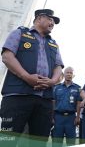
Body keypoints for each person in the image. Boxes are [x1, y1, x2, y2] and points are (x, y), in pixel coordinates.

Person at [0, 9, 64, 146]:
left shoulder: (53, 43)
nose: (53, 23)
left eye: (54, 21)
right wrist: (27, 77)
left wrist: (52, 81)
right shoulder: (20, 33)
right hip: (17, 96)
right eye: (50, 19)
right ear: (39, 19)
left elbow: (58, 67)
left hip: (44, 100)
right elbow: (7, 56)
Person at [52, 67, 81, 146]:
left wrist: (78, 117)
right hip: (58, 117)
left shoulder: (78, 88)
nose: (69, 74)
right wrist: (52, 117)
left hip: (71, 118)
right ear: (63, 74)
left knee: (71, 142)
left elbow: (79, 104)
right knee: (56, 142)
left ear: (73, 75)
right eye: (67, 72)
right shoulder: (56, 88)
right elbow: (53, 103)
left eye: (71, 73)